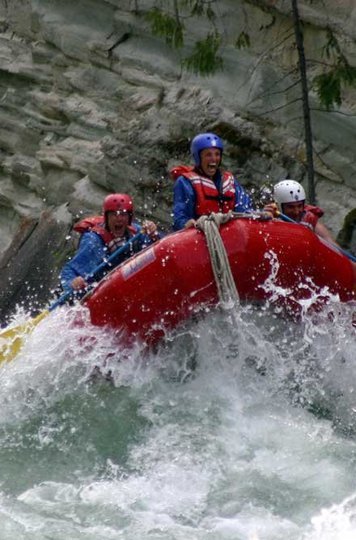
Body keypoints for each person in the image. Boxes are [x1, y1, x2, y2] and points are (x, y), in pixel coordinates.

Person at [60, 193, 160, 292]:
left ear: (129, 218)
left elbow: (157, 249)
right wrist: (72, 282)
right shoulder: (93, 241)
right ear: (106, 217)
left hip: (127, 285)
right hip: (100, 288)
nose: (119, 219)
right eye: (114, 214)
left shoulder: (137, 232)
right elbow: (69, 270)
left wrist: (154, 235)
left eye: (123, 214)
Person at [171, 132, 254, 230]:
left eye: (217, 154)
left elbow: (245, 211)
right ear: (198, 158)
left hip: (230, 231)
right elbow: (180, 217)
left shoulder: (229, 181)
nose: (214, 159)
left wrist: (262, 214)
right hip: (201, 232)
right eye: (208, 155)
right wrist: (185, 224)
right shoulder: (185, 182)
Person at [264, 179, 337, 245]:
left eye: (299, 206)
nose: (296, 212)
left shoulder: (309, 219)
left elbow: (329, 241)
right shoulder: (271, 214)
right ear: (279, 206)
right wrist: (267, 216)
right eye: (291, 207)